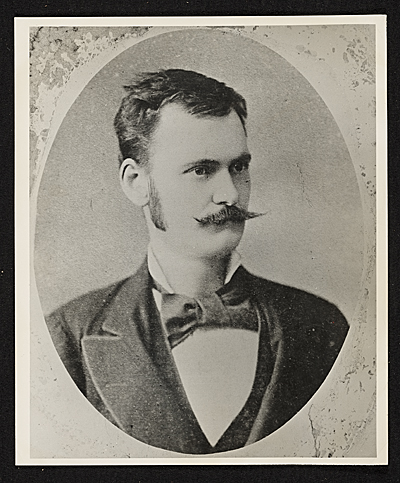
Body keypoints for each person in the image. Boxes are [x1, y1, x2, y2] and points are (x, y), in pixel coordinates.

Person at [46, 69, 349, 454]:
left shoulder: (321, 326)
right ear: (136, 182)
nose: (229, 194)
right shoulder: (67, 337)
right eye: (201, 171)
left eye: (238, 167)